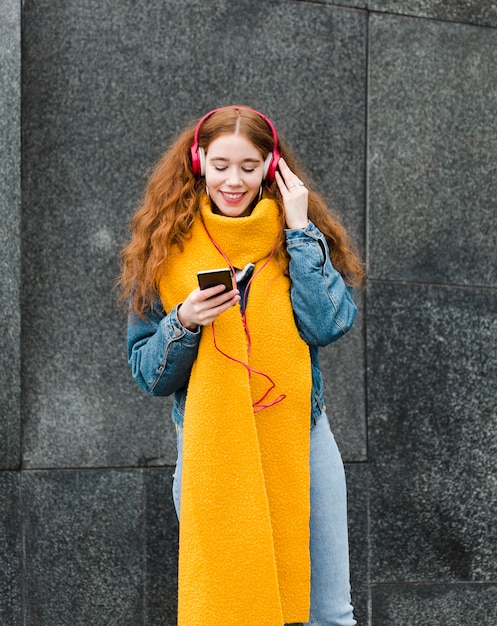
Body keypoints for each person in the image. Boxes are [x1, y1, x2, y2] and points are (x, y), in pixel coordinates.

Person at [118, 105, 364, 626]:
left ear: (272, 166)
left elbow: (329, 324)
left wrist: (299, 231)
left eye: (249, 166)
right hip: (212, 444)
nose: (233, 180)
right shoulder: (165, 250)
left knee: (329, 614)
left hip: (301, 436)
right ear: (197, 160)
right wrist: (183, 321)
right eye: (221, 164)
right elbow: (148, 374)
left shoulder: (294, 237)